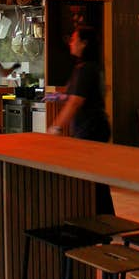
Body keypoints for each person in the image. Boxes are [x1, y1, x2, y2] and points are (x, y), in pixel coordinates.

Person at [47, 25, 113, 214]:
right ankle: (104, 218)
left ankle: (103, 219)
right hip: (93, 126)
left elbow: (76, 101)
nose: (71, 42)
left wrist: (56, 127)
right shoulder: (88, 67)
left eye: (74, 39)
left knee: (92, 177)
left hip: (91, 127)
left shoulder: (86, 69)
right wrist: (56, 97)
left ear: (84, 44)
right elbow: (73, 95)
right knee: (94, 177)